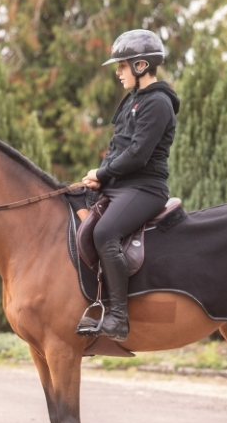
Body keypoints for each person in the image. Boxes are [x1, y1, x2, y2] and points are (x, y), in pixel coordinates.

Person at [76, 29, 181, 341]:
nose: (118, 72)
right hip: (121, 185)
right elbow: (118, 146)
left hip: (145, 189)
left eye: (122, 66)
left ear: (141, 66)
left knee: (106, 232)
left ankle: (118, 318)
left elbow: (137, 154)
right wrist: (98, 177)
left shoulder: (158, 103)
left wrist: (103, 173)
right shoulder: (132, 101)